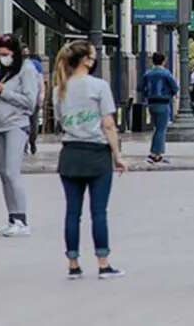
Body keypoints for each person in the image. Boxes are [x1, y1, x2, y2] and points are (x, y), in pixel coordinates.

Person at [52, 40, 126, 279]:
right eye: (92, 56)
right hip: (96, 153)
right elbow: (108, 124)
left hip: (70, 154)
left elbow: (60, 121)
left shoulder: (59, 89)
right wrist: (118, 155)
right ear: (86, 60)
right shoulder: (99, 86)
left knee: (72, 212)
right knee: (99, 212)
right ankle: (103, 263)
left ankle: (73, 264)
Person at [0, 33, 40, 237]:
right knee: (3, 174)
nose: (2, 57)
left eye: (6, 54)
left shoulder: (26, 70)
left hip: (16, 124)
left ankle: (22, 219)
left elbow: (29, 101)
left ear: (15, 53)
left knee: (12, 172)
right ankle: (12, 217)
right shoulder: (2, 71)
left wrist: (4, 92)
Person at [138, 52, 179, 165]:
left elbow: (140, 88)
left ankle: (157, 154)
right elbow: (175, 87)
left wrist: (147, 95)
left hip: (151, 103)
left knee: (156, 128)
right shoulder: (166, 73)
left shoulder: (148, 73)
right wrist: (170, 94)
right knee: (161, 129)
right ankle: (155, 153)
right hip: (163, 102)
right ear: (164, 61)